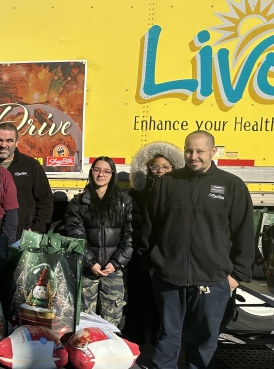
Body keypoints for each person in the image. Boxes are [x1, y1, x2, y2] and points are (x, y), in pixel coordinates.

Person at [139, 131, 254, 369]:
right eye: (189, 150)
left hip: (212, 280)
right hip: (169, 278)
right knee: (167, 338)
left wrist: (236, 276)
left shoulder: (232, 186)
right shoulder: (167, 183)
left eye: (200, 151)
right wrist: (151, 265)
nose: (193, 156)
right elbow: (149, 228)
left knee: (204, 342)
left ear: (213, 151)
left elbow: (244, 234)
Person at [122, 141, 184, 345]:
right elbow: (132, 224)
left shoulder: (178, 193)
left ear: (174, 168)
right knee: (138, 299)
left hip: (166, 256)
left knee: (162, 302)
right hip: (141, 255)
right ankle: (135, 339)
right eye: (155, 167)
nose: (160, 171)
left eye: (166, 167)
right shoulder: (137, 193)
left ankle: (159, 340)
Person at [65, 156, 133, 327]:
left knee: (112, 319)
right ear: (91, 172)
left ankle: (111, 352)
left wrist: (117, 263)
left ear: (112, 175)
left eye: (106, 171)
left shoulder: (124, 202)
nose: (101, 174)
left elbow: (129, 236)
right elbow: (76, 236)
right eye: (96, 170)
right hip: (88, 270)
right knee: (85, 320)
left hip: (113, 271)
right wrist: (90, 262)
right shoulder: (78, 203)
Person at [0, 122, 54, 237]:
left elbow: (45, 200)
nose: (3, 145)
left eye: (9, 140)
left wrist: (36, 229)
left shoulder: (31, 166)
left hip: (21, 236)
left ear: (16, 143)